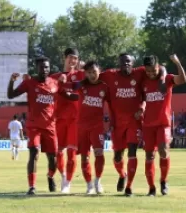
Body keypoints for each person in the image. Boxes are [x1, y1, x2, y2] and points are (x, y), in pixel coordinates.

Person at [98, 53, 167, 196]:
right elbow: (93, 75)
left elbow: (161, 68)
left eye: (129, 62)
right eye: (123, 62)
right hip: (117, 123)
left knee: (132, 152)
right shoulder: (110, 75)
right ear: (119, 63)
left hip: (134, 122)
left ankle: (129, 187)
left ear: (133, 63)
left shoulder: (140, 72)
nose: (126, 64)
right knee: (118, 156)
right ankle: (122, 175)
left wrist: (162, 78)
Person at [7, 56, 78, 195]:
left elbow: (69, 95)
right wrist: (11, 82)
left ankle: (50, 176)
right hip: (33, 126)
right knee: (34, 153)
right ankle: (32, 186)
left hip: (50, 127)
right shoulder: (29, 83)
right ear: (37, 68)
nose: (44, 69)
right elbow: (11, 95)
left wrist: (84, 93)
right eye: (41, 67)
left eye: (47, 67)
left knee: (53, 158)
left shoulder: (55, 83)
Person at [141, 54, 186, 196]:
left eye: (153, 70)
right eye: (148, 71)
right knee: (149, 155)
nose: (150, 73)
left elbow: (183, 79)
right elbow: (142, 98)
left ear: (158, 67)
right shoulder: (143, 81)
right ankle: (151, 188)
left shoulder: (167, 79)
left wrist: (178, 62)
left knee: (163, 150)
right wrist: (140, 108)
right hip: (148, 124)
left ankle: (163, 181)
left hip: (163, 123)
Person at [51, 48, 85, 193]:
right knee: (57, 152)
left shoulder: (81, 75)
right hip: (58, 119)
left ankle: (67, 183)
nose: (73, 61)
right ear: (64, 58)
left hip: (75, 119)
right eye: (70, 58)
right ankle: (63, 175)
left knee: (71, 153)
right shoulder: (54, 77)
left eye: (75, 59)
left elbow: (96, 75)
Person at [72, 61, 109, 194]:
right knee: (84, 157)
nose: (92, 75)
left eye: (94, 72)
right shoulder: (82, 85)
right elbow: (72, 86)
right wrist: (82, 79)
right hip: (82, 126)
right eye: (89, 73)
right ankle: (89, 185)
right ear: (85, 73)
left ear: (99, 70)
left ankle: (98, 181)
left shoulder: (104, 86)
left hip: (97, 126)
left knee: (99, 153)